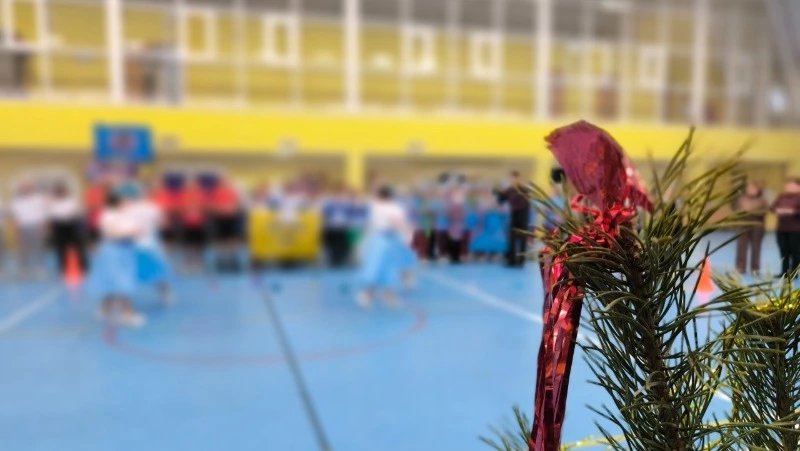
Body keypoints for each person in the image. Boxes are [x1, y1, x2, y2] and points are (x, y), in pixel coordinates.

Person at [85, 186, 145, 327]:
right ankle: (128, 314)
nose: (129, 201)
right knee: (123, 284)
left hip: (127, 251)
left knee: (117, 282)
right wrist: (130, 232)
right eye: (125, 199)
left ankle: (104, 309)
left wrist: (134, 232)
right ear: (118, 201)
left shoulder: (126, 215)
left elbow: (139, 231)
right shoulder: (108, 215)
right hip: (113, 252)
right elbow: (112, 234)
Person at [357, 185, 415, 308]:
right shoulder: (392, 208)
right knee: (388, 268)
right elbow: (397, 222)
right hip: (387, 239)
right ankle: (385, 296)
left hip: (377, 239)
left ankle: (371, 296)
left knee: (376, 267)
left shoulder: (374, 206)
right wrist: (409, 230)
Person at [127, 183, 174, 304]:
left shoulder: (130, 208)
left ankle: (126, 300)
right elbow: (164, 224)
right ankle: (166, 294)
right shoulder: (153, 208)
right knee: (157, 272)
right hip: (148, 244)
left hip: (137, 245)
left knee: (130, 273)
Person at [47, 182, 88, 275]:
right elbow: (50, 216)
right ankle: (63, 268)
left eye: (62, 191)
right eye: (59, 191)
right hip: (59, 226)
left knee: (78, 247)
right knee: (61, 248)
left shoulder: (72, 200)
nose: (61, 192)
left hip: (71, 225)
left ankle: (83, 267)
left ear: (66, 191)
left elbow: (78, 213)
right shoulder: (52, 203)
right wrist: (50, 230)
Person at [10, 181, 48, 278]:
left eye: (27, 188)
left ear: (31, 189)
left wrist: (43, 226)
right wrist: (16, 227)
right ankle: (24, 269)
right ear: (21, 190)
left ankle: (39, 268)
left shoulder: (38, 199)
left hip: (36, 225)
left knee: (39, 247)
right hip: (23, 227)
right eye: (23, 188)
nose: (25, 190)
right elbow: (15, 215)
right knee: (23, 249)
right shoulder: (17, 201)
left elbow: (42, 212)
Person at [495, 171, 532, 268]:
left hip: (523, 216)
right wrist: (498, 193)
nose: (512, 181)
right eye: (511, 179)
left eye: (514, 178)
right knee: (512, 239)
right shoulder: (509, 190)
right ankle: (511, 260)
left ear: (519, 179)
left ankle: (521, 261)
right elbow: (501, 199)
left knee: (522, 239)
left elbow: (526, 202)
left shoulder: (524, 190)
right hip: (514, 216)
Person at [209, 178, 243, 272]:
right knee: (220, 240)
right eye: (223, 182)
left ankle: (233, 260)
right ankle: (221, 261)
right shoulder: (216, 193)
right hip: (220, 219)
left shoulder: (233, 192)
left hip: (231, 218)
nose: (225, 184)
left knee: (232, 239)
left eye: (227, 182)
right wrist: (221, 210)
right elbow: (212, 206)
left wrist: (232, 210)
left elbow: (238, 205)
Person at [734, 182, 768, 275]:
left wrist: (750, 211)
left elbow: (764, 212)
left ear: (757, 190)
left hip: (757, 226)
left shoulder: (762, 200)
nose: (750, 190)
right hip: (743, 225)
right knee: (741, 246)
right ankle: (740, 267)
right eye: (749, 188)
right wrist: (743, 211)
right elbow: (737, 211)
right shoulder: (742, 199)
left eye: (752, 188)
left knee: (756, 247)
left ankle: (755, 268)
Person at [771, 178, 800, 279]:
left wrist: (792, 212)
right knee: (783, 250)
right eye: (787, 185)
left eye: (791, 185)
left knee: (795, 252)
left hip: (796, 229)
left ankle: (794, 272)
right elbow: (772, 207)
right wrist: (778, 210)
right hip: (782, 228)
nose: (788, 187)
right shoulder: (782, 197)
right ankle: (784, 272)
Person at [322, 184, 353, 268]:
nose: (339, 197)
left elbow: (350, 215)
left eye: (341, 195)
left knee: (343, 245)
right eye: (338, 195)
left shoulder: (347, 205)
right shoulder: (329, 205)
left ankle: (342, 259)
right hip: (332, 228)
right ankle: (334, 259)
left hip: (343, 227)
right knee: (332, 245)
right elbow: (325, 215)